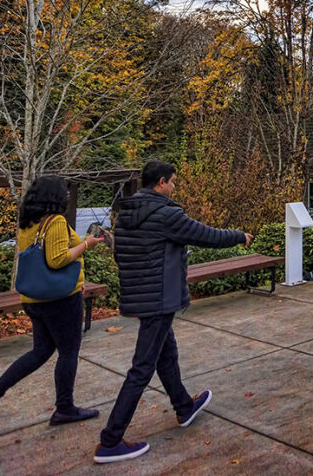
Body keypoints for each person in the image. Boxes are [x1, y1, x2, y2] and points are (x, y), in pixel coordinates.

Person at [94, 160, 253, 464]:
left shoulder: (127, 214)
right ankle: (110, 441)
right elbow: (206, 235)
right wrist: (239, 236)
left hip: (143, 295)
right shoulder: (165, 214)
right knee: (142, 368)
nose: (175, 187)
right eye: (173, 182)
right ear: (162, 182)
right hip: (159, 298)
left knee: (167, 355)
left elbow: (122, 255)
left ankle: (183, 406)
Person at [0, 175, 106, 442]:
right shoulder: (57, 221)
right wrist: (87, 245)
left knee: (40, 352)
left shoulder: (29, 223)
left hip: (35, 300)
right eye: (64, 192)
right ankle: (64, 408)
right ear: (56, 197)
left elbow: (63, 248)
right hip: (60, 302)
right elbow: (58, 259)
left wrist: (86, 247)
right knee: (69, 352)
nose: (67, 196)